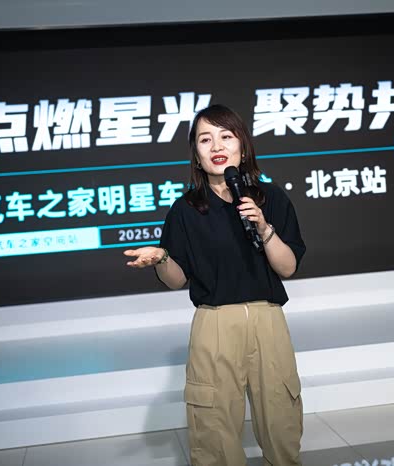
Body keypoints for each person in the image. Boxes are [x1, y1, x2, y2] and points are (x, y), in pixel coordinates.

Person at [124, 104, 306, 466]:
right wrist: (161, 258)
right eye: (205, 139)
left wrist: (263, 227)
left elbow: (288, 267)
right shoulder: (186, 210)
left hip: (268, 320)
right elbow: (176, 279)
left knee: (281, 423)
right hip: (215, 322)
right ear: (196, 153)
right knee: (213, 430)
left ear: (243, 146)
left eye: (226, 136)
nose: (217, 146)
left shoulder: (270, 198)